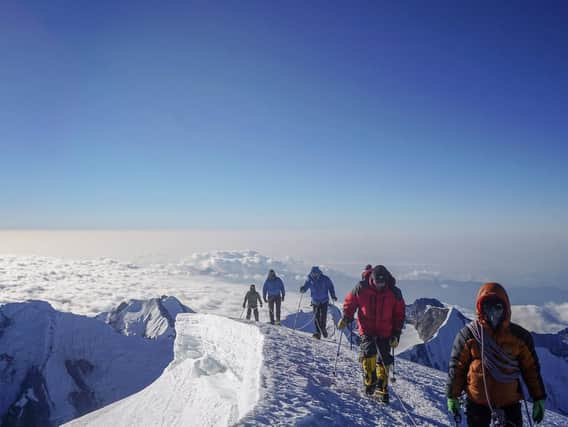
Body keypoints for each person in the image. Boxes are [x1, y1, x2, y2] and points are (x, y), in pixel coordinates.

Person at [447, 282, 546, 426]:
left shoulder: (520, 337)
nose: (493, 313)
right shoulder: (469, 335)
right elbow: (458, 367)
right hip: (478, 405)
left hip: (509, 405)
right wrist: (452, 395)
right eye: (488, 307)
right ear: (481, 309)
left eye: (498, 307)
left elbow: (531, 369)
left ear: (505, 309)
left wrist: (539, 397)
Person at [338, 265, 405, 403]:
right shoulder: (361, 288)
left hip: (385, 330)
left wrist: (396, 334)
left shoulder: (394, 293)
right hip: (366, 328)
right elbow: (350, 302)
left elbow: (399, 314)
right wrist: (346, 317)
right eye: (377, 282)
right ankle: (370, 380)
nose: (380, 285)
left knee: (384, 358)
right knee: (369, 353)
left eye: (382, 283)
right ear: (372, 279)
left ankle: (382, 387)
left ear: (386, 280)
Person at [300, 266, 337, 339]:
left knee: (323, 316)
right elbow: (305, 287)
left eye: (315, 273)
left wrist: (333, 295)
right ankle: (318, 333)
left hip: (324, 301)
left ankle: (323, 328)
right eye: (313, 273)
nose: (314, 275)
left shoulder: (325, 279)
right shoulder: (309, 280)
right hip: (315, 301)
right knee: (316, 318)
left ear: (318, 273)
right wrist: (303, 289)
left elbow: (331, 287)